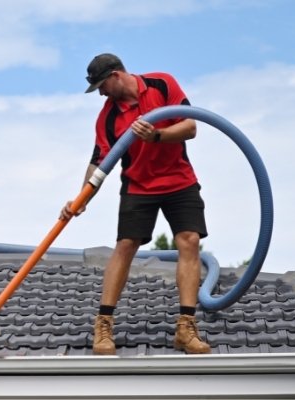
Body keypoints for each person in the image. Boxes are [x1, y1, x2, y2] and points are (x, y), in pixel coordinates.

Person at [60, 53, 211, 355]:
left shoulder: (162, 84)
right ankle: (103, 326)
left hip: (179, 180)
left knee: (189, 240)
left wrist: (156, 135)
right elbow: (98, 163)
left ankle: (185, 328)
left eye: (102, 86)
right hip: (139, 186)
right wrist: (79, 200)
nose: (101, 93)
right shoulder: (108, 118)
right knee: (126, 245)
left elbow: (191, 127)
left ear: (116, 75)